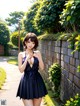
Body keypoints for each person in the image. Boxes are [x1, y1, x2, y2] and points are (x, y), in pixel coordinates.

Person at [16, 32, 48, 106]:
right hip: (26, 82)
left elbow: (42, 68)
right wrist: (26, 59)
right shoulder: (21, 55)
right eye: (29, 42)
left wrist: (38, 57)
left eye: (33, 43)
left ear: (35, 44)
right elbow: (21, 70)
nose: (30, 44)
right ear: (25, 42)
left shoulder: (37, 53)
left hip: (37, 82)